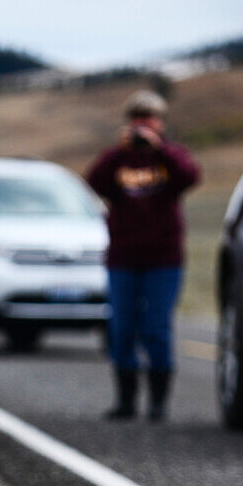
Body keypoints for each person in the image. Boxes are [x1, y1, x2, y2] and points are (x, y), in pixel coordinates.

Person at [86, 90, 200, 421]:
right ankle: (125, 401)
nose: (142, 127)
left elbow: (190, 176)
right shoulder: (117, 159)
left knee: (156, 328)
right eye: (137, 120)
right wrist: (117, 151)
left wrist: (159, 148)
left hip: (164, 259)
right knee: (121, 329)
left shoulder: (171, 156)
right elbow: (95, 181)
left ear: (160, 124)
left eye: (149, 120)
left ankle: (159, 402)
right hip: (124, 258)